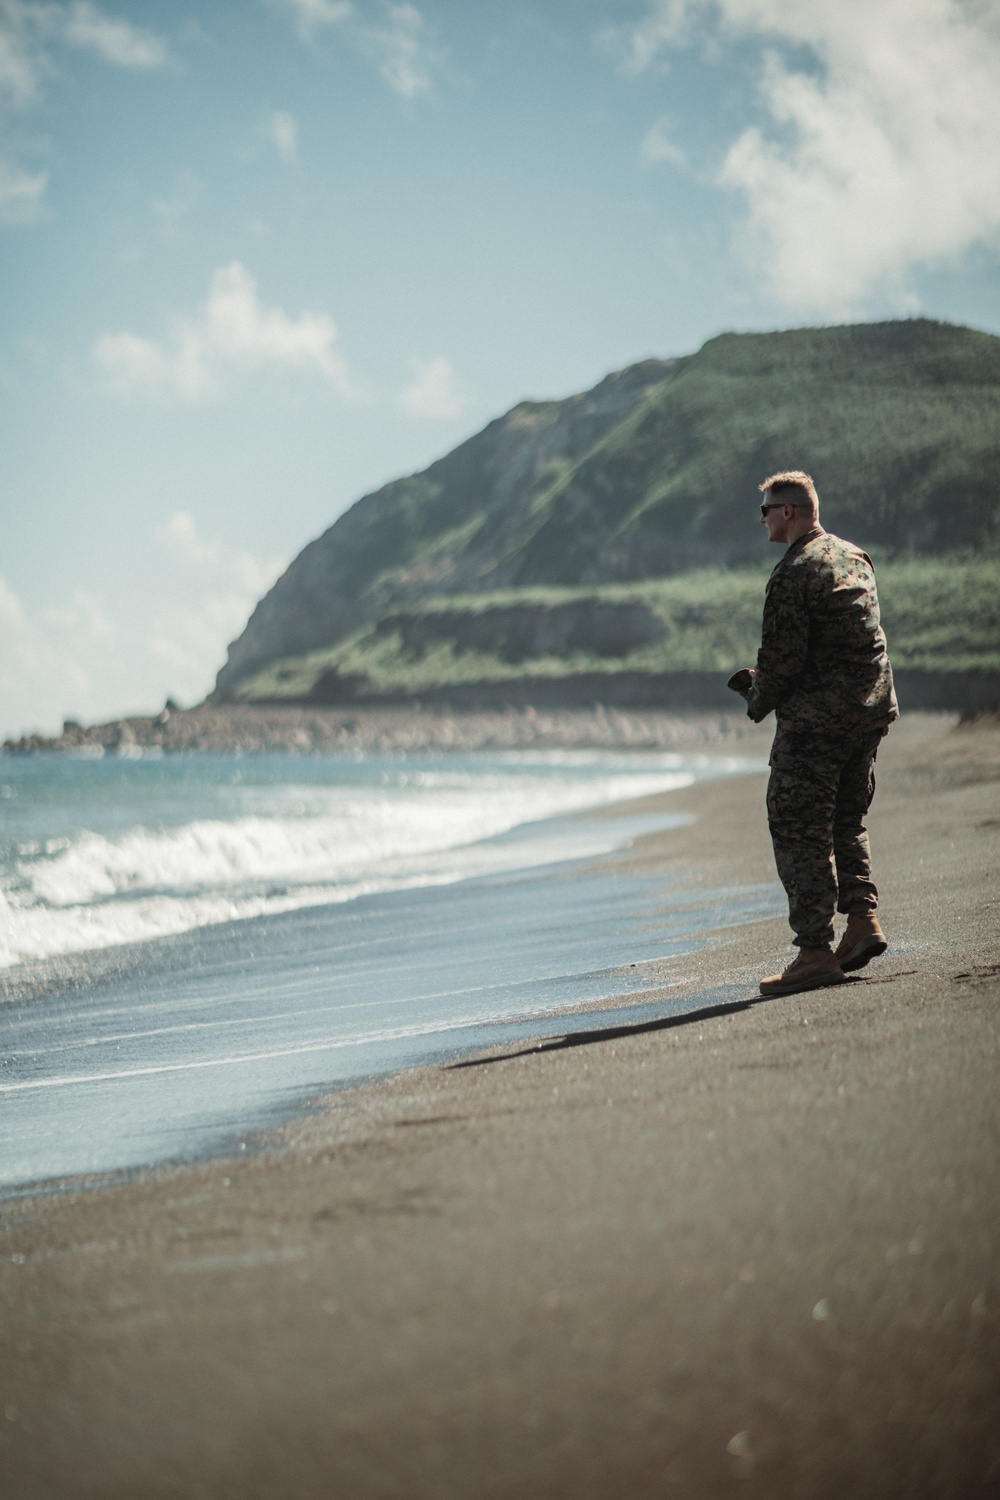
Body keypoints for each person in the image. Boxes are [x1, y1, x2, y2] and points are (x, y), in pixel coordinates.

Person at [728, 470, 897, 997]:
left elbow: (780, 662)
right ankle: (862, 923)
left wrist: (756, 696)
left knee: (797, 823)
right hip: (868, 711)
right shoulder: (854, 556)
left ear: (787, 512)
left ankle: (814, 951)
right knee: (846, 819)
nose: (761, 521)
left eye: (765, 511)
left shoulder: (793, 573)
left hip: (818, 723)